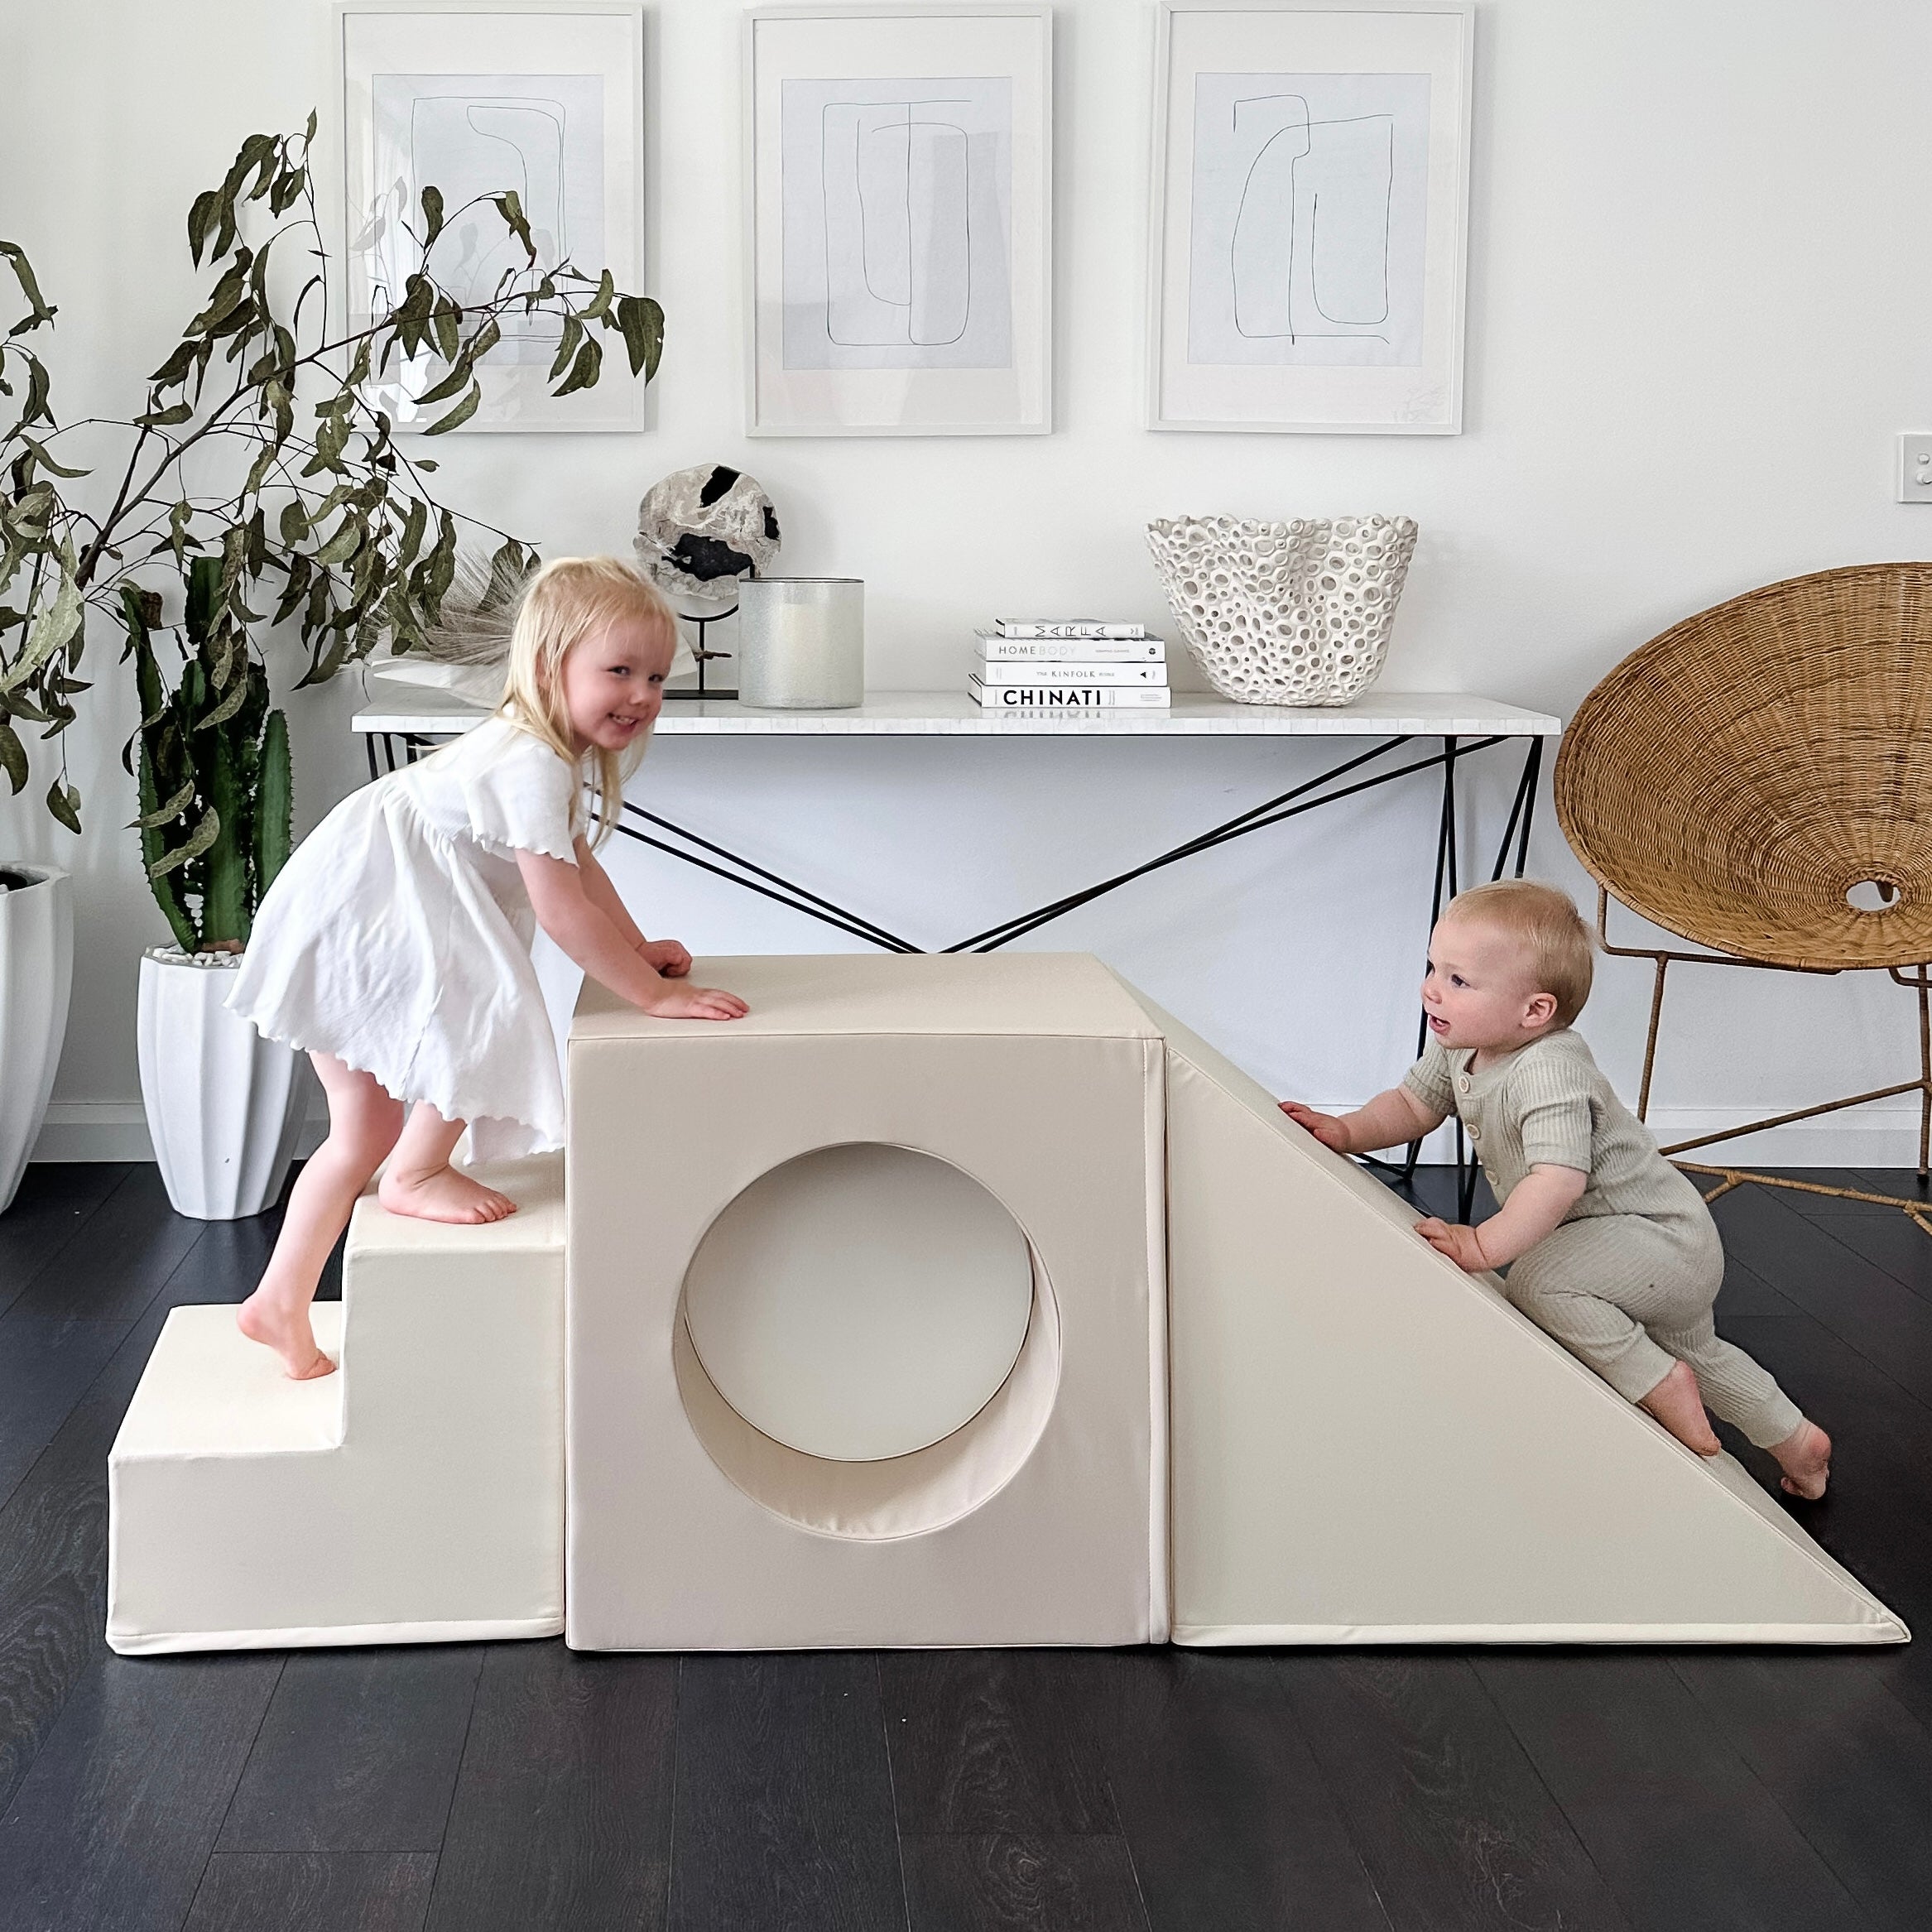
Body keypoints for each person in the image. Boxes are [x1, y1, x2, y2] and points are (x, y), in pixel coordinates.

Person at [228, 556, 747, 1380]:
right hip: (371, 918)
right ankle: (417, 1173)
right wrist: (649, 995)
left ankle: (277, 1301)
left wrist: (637, 946)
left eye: (656, 677)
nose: (643, 695)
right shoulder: (530, 761)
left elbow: (581, 868)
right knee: (484, 1012)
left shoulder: (543, 754)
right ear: (548, 666)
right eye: (619, 671)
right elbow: (561, 909)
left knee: (360, 1128)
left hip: (347, 909)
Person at [1281, 878, 1832, 1499]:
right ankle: (1797, 1440)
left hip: (1657, 1238)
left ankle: (1658, 1381)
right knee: (1701, 1349)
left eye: (1459, 980)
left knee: (1538, 1283)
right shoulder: (1465, 1047)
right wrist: (1347, 1130)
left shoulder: (1549, 1070)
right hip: (1647, 1242)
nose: (1432, 988)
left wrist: (1484, 1245)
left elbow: (1559, 1178)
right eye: (1433, 967)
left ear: (1534, 1011)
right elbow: (1411, 1105)